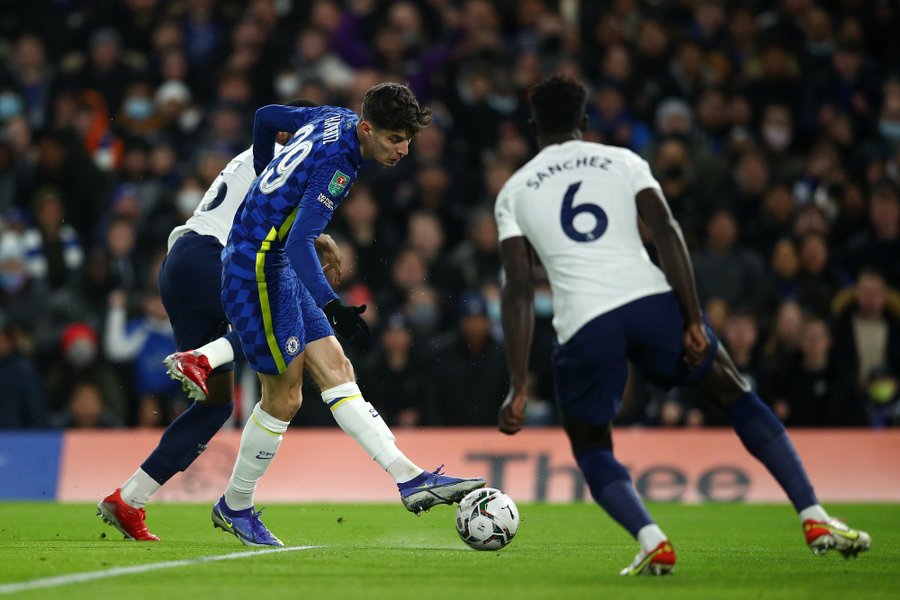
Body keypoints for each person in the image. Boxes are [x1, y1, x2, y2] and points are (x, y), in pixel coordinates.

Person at [493, 74, 870, 576]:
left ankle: (652, 540)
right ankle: (813, 514)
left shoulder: (514, 190)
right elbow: (667, 232)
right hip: (650, 302)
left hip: (585, 322)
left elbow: (518, 290)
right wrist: (693, 318)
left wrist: (518, 384)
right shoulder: (624, 160)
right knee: (735, 393)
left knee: (590, 444)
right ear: (584, 123)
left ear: (534, 125)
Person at [165, 85, 484, 547]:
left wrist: (261, 174)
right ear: (368, 129)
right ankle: (235, 504)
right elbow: (298, 243)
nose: (404, 150)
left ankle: (409, 478)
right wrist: (331, 302)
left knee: (337, 367)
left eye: (408, 140)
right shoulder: (342, 163)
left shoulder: (331, 116)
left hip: (269, 260)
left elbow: (265, 114)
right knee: (284, 397)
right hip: (254, 267)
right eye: (395, 138)